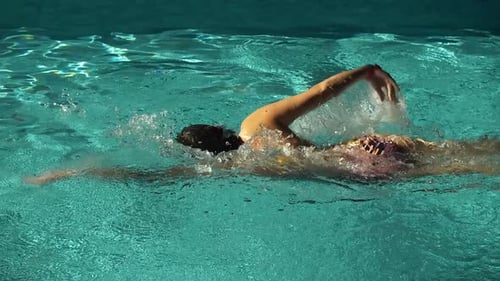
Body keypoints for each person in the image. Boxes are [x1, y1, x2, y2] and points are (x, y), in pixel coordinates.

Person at [25, 65, 499, 185]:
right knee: (473, 147)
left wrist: (69, 171)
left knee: (463, 173)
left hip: (364, 170)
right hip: (371, 144)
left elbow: (147, 179)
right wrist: (368, 71)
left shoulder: (234, 169)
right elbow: (320, 93)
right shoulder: (258, 122)